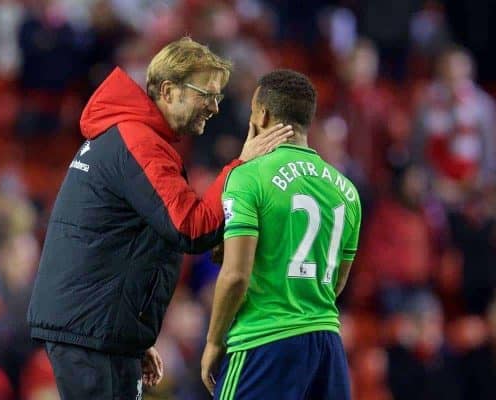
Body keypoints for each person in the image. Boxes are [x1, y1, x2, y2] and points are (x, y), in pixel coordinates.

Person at [26, 37, 293, 400]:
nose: (215, 107)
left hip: (101, 330)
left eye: (218, 97)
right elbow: (191, 227)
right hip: (91, 332)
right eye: (207, 95)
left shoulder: (133, 137)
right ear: (169, 90)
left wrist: (132, 337)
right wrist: (241, 167)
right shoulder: (139, 142)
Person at [201, 69, 362, 399]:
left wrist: (214, 341)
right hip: (327, 348)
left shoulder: (249, 178)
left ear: (262, 113)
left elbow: (235, 276)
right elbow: (338, 282)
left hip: (264, 341)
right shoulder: (347, 190)